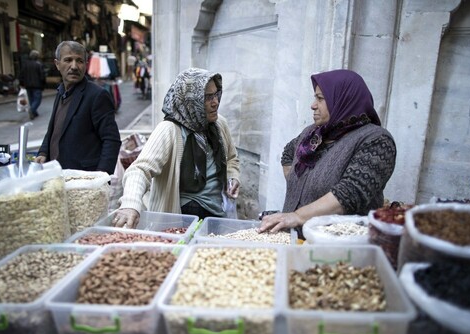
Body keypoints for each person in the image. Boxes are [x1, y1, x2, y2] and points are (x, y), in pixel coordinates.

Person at [259, 69, 396, 234]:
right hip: (294, 238)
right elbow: (289, 153)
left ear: (343, 100)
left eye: (320, 99)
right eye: (315, 97)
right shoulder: (313, 133)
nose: (313, 105)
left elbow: (350, 193)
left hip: (337, 248)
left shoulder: (376, 140)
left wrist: (297, 216)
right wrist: (299, 184)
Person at [113, 67, 241, 229]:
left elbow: (231, 158)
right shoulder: (169, 130)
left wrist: (232, 177)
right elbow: (140, 169)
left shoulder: (219, 124)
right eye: (207, 97)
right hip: (182, 215)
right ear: (189, 100)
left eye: (216, 94)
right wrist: (130, 204)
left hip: (217, 212)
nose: (215, 102)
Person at [34, 41, 122, 174]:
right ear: (57, 64)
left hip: (84, 179)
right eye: (68, 60)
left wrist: (101, 177)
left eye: (79, 61)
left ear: (86, 65)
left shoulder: (97, 95)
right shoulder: (61, 92)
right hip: (57, 174)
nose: (74, 66)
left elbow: (111, 139)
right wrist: (43, 151)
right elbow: (54, 130)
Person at [18, 50, 46, 120]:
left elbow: (21, 75)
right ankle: (32, 110)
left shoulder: (25, 64)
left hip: (28, 85)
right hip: (37, 85)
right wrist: (43, 84)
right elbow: (42, 76)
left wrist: (21, 83)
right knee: (37, 100)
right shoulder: (39, 64)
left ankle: (34, 112)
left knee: (31, 100)